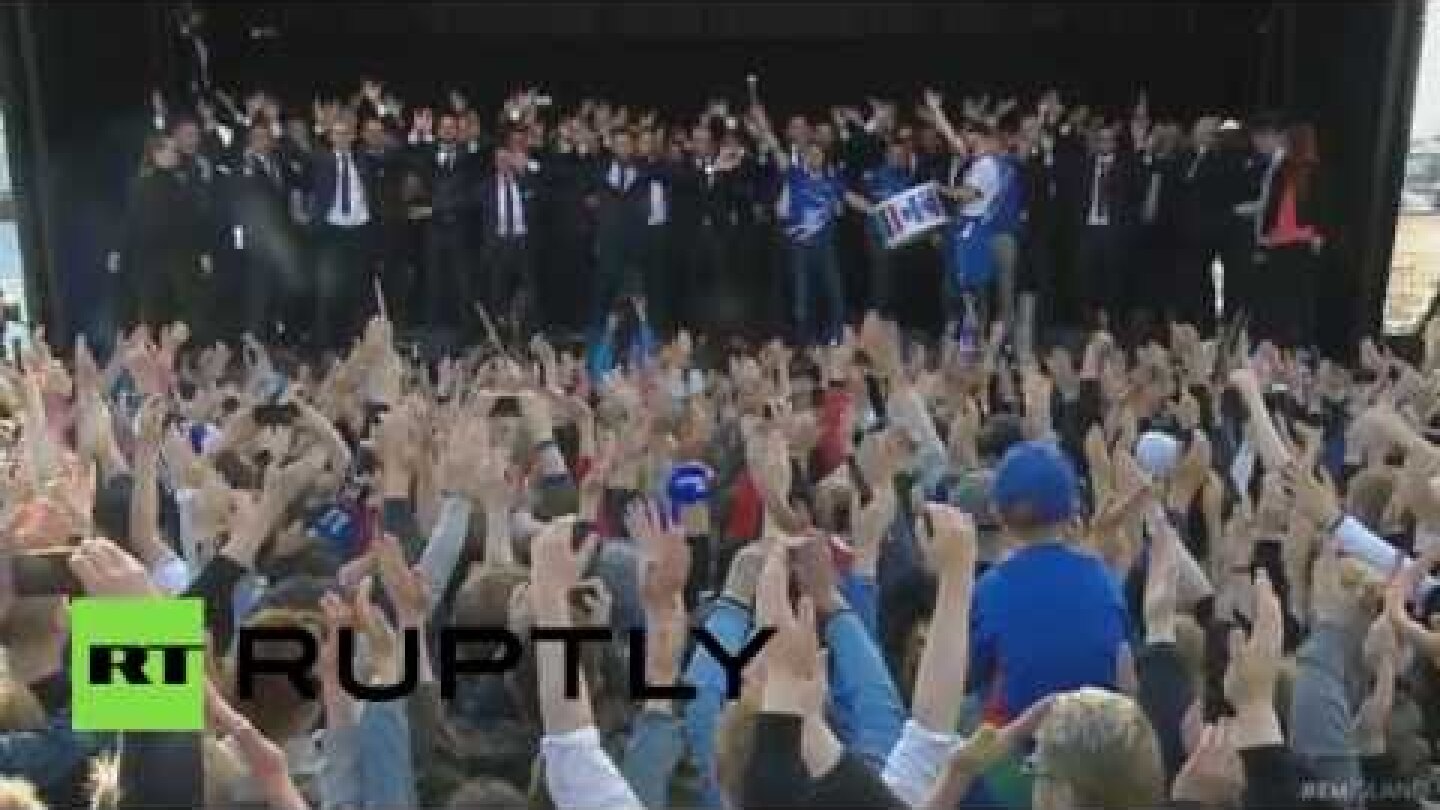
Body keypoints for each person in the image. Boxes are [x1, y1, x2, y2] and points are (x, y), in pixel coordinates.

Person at [109, 133, 215, 329]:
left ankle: (192, 353)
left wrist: (202, 251)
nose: (176, 154)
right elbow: (130, 220)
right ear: (157, 154)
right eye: (172, 150)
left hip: (181, 257)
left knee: (189, 310)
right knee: (155, 312)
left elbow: (193, 221)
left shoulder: (182, 181)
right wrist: (118, 250)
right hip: (152, 260)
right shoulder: (141, 184)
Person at [306, 113, 381, 349]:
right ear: (330, 137)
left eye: (346, 133)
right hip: (333, 232)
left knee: (358, 288)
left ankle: (355, 341)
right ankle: (325, 344)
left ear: (352, 136)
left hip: (359, 231)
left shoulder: (363, 161)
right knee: (329, 290)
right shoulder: (321, 160)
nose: (341, 138)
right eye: (336, 133)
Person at [1252, 122, 1328, 348]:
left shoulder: (1314, 172)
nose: (1282, 143)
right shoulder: (1282, 170)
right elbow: (1271, 207)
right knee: (1277, 302)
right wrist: (1264, 236)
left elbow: (1323, 208)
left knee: (1298, 302)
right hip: (1280, 242)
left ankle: (1300, 349)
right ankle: (1276, 349)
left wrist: (1319, 235)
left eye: (1286, 139)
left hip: (1301, 242)